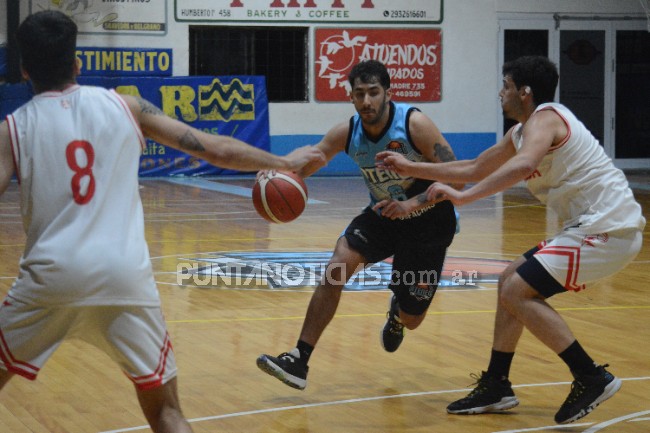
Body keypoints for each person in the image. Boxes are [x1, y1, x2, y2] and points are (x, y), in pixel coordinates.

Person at [0, 10, 324, 433]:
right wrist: (283, 162)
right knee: (166, 413)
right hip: (123, 279)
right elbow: (216, 149)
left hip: (50, 277)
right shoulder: (128, 107)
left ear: (24, 68)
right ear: (78, 63)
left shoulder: (13, 128)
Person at [376, 55, 645, 424]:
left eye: (505, 85)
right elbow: (473, 168)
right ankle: (497, 384)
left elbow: (520, 167)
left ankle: (590, 375)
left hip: (608, 228)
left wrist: (463, 198)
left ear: (525, 92)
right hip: (588, 228)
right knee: (509, 281)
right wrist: (413, 168)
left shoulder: (547, 117)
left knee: (518, 290)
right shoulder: (520, 132)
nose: (500, 93)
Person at [256, 59, 460, 390]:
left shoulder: (415, 125)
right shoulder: (348, 131)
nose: (367, 101)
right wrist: (277, 173)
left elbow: (457, 179)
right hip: (383, 215)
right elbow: (311, 160)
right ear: (351, 97)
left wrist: (412, 203)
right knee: (338, 265)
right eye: (360, 94)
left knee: (413, 318)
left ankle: (398, 313)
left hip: (429, 221)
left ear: (388, 94)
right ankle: (299, 359)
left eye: (374, 93)